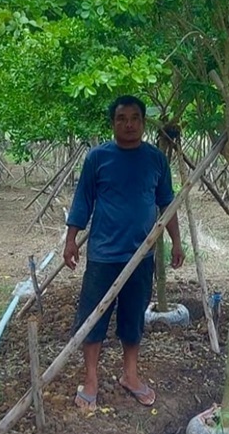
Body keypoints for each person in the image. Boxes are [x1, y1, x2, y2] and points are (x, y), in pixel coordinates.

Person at [63, 94, 184, 411]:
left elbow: (167, 204)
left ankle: (130, 375)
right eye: (122, 118)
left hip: (141, 256)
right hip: (104, 254)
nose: (129, 124)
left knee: (133, 318)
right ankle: (90, 378)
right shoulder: (98, 158)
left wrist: (176, 241)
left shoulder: (156, 159)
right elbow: (82, 202)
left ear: (143, 123)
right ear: (112, 123)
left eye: (135, 118)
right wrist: (70, 240)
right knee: (93, 318)